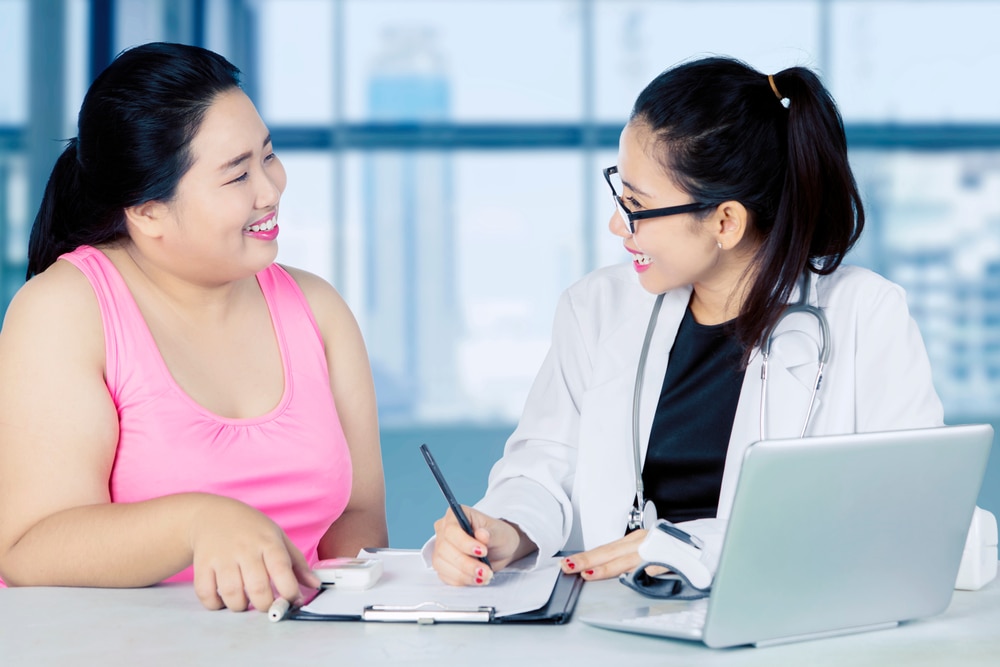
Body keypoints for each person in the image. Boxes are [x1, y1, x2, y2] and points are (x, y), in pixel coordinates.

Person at [430, 56, 951, 587]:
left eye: (636, 205)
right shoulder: (595, 310)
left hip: (782, 620)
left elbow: (909, 514)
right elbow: (545, 465)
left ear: (725, 222)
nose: (617, 223)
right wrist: (506, 528)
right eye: (619, 193)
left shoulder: (866, 315)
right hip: (620, 619)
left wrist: (698, 547)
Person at [0, 42, 387, 612]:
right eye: (237, 176)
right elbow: (29, 548)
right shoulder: (64, 310)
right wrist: (198, 522)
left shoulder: (317, 308)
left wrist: (330, 613)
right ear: (148, 211)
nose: (271, 190)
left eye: (268, 156)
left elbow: (358, 519)